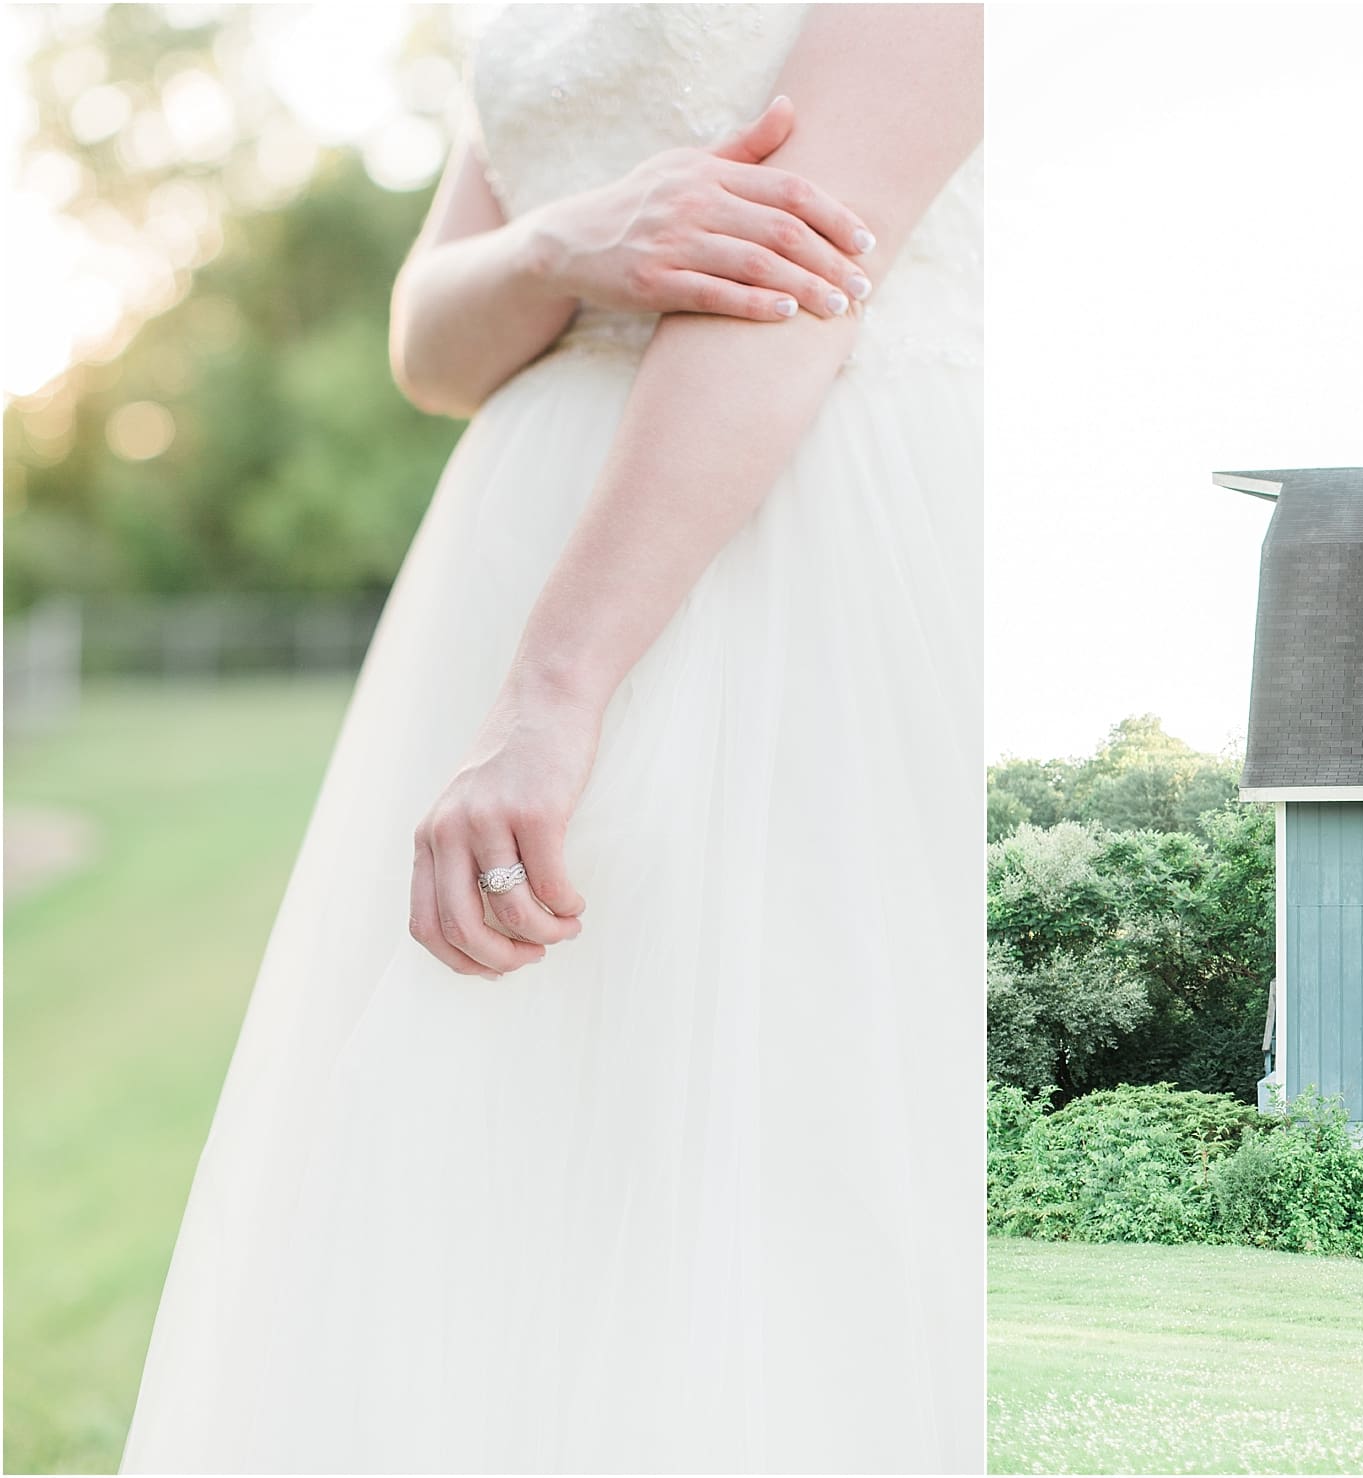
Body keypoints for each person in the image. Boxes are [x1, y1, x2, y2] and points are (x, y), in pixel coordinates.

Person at [118, 5, 984, 1471]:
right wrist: (568, 242)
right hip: (506, 566)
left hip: (784, 543)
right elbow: (430, 343)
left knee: (770, 1128)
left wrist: (554, 690)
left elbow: (798, 284)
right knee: (493, 1151)